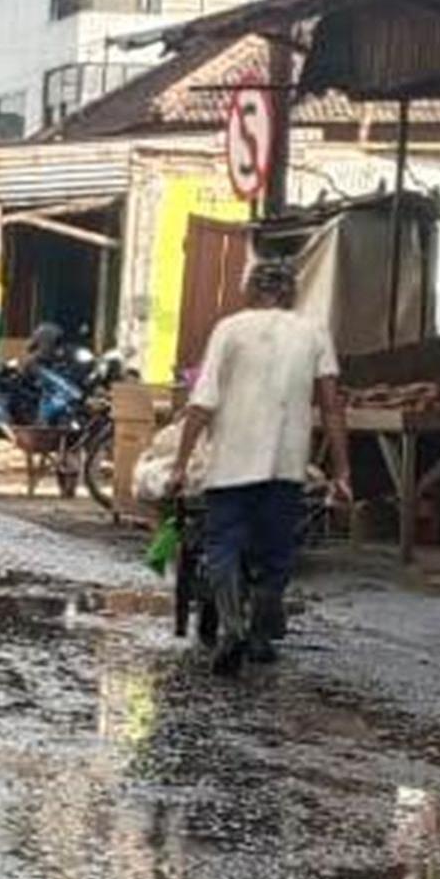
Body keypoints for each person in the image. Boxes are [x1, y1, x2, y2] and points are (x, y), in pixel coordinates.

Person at [167, 258, 352, 673]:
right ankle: (259, 631)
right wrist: (342, 472)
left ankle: (231, 626)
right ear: (291, 294)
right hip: (285, 467)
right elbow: (332, 408)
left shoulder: (230, 329)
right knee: (277, 554)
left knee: (223, 547)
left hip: (230, 464)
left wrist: (179, 465)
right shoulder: (313, 332)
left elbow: (202, 401)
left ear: (250, 291)